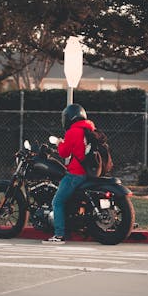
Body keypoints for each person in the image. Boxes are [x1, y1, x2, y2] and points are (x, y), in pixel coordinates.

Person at [42, 103, 96, 245]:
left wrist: (60, 142)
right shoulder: (89, 130)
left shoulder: (72, 132)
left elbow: (64, 153)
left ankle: (59, 235)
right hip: (88, 172)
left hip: (75, 174)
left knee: (57, 202)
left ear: (70, 118)